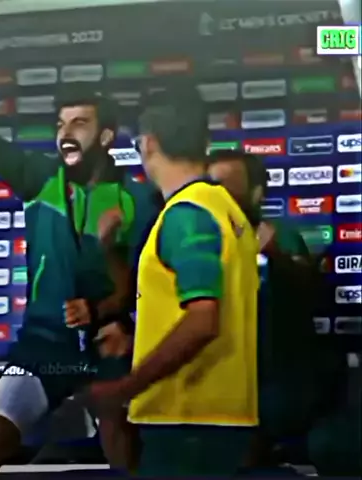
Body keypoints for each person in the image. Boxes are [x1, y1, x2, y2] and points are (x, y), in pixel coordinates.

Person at [0, 91, 161, 476]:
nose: (66, 133)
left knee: (124, 448)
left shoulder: (139, 199)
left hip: (108, 347)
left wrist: (111, 314)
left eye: (80, 123)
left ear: (107, 136)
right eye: (61, 124)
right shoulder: (40, 178)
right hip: (43, 346)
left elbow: (147, 284)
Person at [88, 94, 260, 476]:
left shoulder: (187, 215)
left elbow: (203, 320)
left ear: (148, 143)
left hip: (186, 420)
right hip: (223, 417)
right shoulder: (228, 210)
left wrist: (125, 387)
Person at [207, 150, 347, 466]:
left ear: (256, 193)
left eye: (225, 184)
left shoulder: (280, 236)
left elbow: (311, 293)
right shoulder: (195, 239)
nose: (216, 193)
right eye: (210, 184)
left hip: (275, 380)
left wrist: (274, 254)